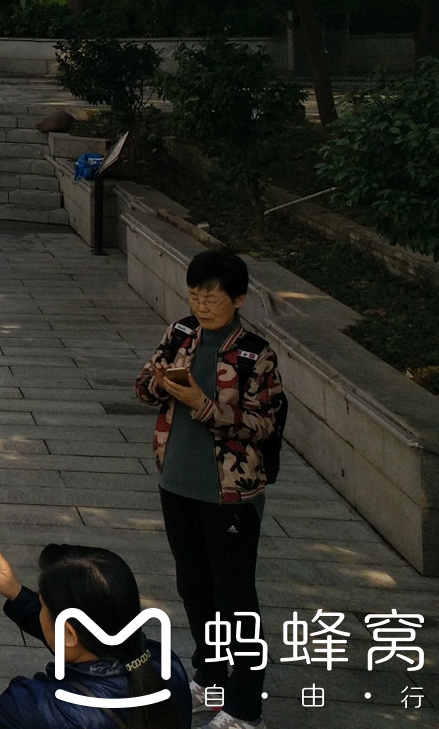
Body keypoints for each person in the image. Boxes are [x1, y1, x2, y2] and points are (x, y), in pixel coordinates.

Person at [135, 250, 283, 729]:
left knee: (235, 599)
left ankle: (244, 708)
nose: (201, 305)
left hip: (230, 495)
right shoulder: (180, 334)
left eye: (212, 297)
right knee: (195, 590)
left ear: (238, 299)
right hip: (176, 481)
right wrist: (159, 383)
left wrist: (202, 405)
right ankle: (210, 680)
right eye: (195, 295)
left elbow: (265, 425)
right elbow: (142, 386)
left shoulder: (254, 354)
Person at [0, 534, 191, 728]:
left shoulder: (43, 707)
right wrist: (17, 595)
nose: (41, 612)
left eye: (44, 606)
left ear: (69, 632)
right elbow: (80, 641)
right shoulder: (164, 664)